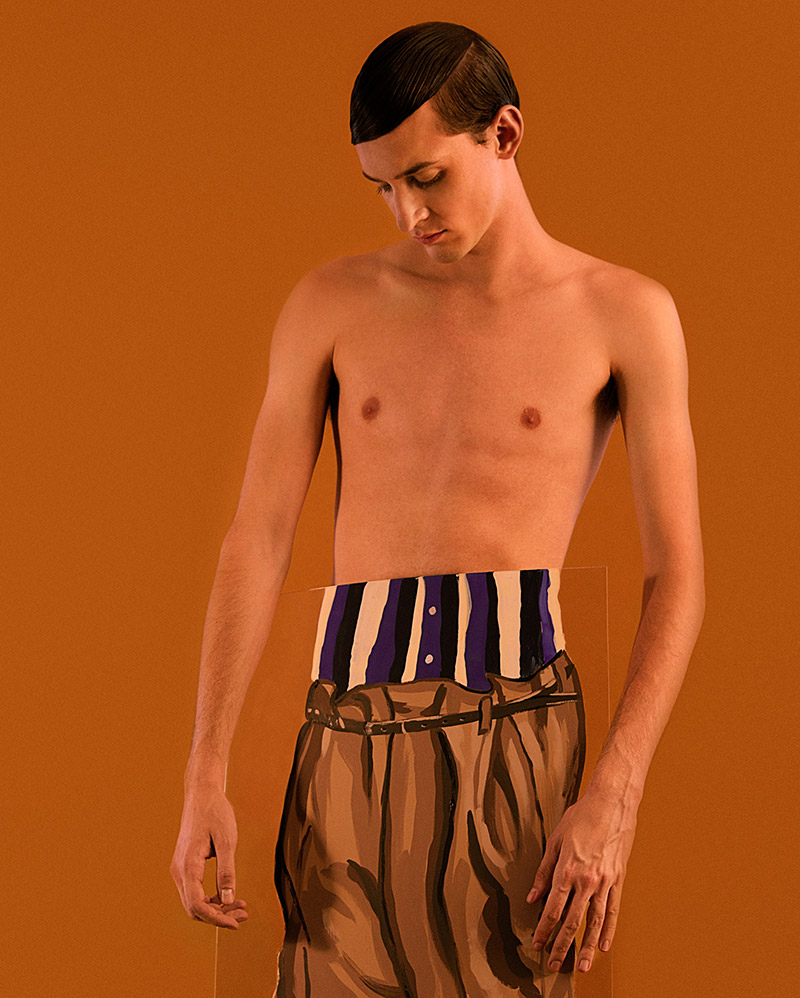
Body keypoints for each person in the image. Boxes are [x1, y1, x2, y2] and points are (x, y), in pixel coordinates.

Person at [170, 20, 705, 998]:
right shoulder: (331, 304)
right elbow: (258, 535)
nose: (407, 211)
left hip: (518, 727)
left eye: (425, 177)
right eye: (381, 187)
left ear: (504, 133)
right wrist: (205, 764)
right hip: (343, 726)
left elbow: (677, 571)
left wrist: (615, 789)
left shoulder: (622, 314)